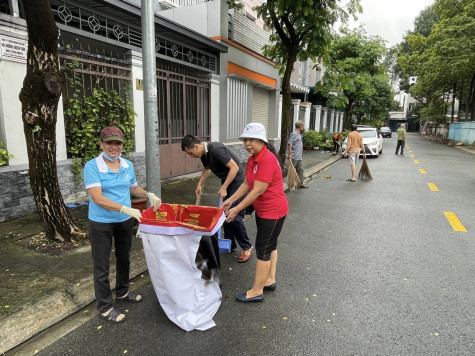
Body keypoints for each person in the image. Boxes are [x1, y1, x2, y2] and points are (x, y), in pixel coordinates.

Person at [84, 126, 162, 323]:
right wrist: (125, 209)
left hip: (124, 221)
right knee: (101, 265)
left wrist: (148, 194)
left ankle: (123, 292)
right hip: (101, 222)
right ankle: (104, 307)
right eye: (109, 142)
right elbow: (97, 197)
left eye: (117, 143)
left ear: (122, 145)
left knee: (124, 258)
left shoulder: (127, 164)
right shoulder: (92, 166)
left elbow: (133, 187)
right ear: (101, 144)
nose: (113, 147)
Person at [222, 123, 288, 303]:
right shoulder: (253, 159)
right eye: (245, 140)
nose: (247, 143)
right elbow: (246, 184)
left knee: (263, 249)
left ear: (262, 140)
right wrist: (230, 199)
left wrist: (236, 209)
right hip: (264, 211)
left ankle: (257, 291)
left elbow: (257, 191)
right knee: (270, 245)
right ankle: (269, 280)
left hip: (273, 211)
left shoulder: (266, 159)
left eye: (251, 139)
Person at [181, 135, 253, 263]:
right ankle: (231, 244)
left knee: (234, 215)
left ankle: (247, 247)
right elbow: (207, 170)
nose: (192, 156)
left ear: (197, 146)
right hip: (228, 182)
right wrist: (200, 184)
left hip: (238, 182)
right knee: (224, 214)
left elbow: (235, 168)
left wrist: (224, 187)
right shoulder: (204, 154)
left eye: (191, 153)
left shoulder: (216, 149)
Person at [287, 120, 307, 188]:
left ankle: (300, 183)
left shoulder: (298, 134)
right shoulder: (294, 134)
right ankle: (289, 182)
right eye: (302, 126)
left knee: (300, 169)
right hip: (294, 156)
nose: (303, 128)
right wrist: (290, 154)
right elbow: (290, 144)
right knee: (291, 170)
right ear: (300, 126)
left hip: (299, 156)